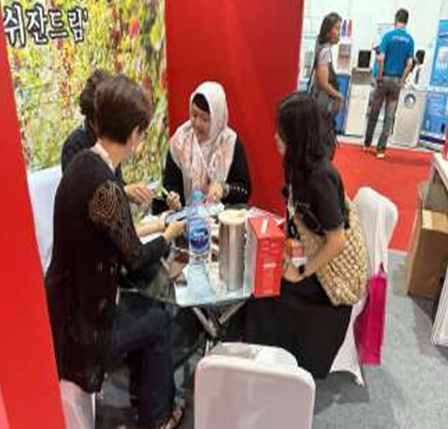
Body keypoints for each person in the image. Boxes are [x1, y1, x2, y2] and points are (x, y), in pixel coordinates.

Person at [46, 75, 185, 429]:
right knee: (157, 319)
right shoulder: (107, 187)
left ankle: (145, 397)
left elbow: (111, 240)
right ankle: (155, 418)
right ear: (135, 133)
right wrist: (168, 235)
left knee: (146, 307)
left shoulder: (82, 162)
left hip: (64, 308)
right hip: (83, 329)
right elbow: (134, 257)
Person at [244, 92, 356, 378]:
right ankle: (261, 359)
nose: (275, 136)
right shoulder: (297, 166)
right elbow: (297, 220)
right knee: (260, 275)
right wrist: (285, 252)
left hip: (330, 275)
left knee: (265, 291)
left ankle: (273, 367)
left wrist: (301, 271)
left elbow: (337, 241)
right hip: (310, 255)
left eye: (281, 131)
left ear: (297, 134)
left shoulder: (322, 176)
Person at [61, 69, 153, 206]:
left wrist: (128, 191)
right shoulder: (75, 147)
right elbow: (83, 200)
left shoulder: (109, 146)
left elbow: (114, 181)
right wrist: (123, 191)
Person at [161, 81, 251, 210]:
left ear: (216, 119)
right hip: (188, 217)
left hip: (221, 217)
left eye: (204, 119)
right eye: (194, 115)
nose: (197, 123)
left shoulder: (229, 143)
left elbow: (245, 191)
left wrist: (224, 189)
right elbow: (170, 183)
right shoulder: (181, 141)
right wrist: (173, 198)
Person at [364, 9, 415, 158]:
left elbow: (381, 58)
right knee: (389, 116)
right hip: (396, 81)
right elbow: (410, 63)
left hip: (384, 78)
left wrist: (379, 76)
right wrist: (402, 80)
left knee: (374, 112)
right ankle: (381, 150)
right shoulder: (410, 40)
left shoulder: (388, 36)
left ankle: (367, 143)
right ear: (406, 21)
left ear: (396, 19)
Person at [309, 12, 343, 158]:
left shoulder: (321, 48)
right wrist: (338, 96)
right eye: (337, 28)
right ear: (328, 31)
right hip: (322, 105)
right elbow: (322, 82)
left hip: (320, 104)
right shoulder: (325, 51)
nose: (339, 32)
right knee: (324, 146)